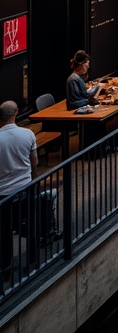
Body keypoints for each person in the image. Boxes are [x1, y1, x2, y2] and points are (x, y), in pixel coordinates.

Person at [0, 101, 37, 281]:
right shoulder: (28, 134)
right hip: (25, 188)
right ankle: (33, 259)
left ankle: (6, 268)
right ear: (16, 113)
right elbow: (34, 162)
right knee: (30, 224)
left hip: (3, 194)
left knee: (5, 232)